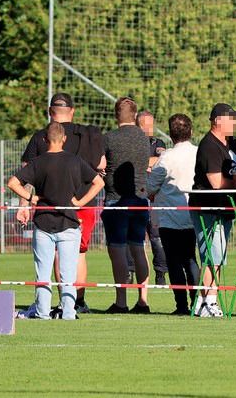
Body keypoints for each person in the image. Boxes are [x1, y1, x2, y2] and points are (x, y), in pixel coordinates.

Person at [8, 122, 104, 320]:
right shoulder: (75, 161)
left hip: (43, 224)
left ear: (45, 140)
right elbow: (99, 181)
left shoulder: (38, 162)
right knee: (68, 274)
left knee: (42, 273)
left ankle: (43, 313)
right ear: (64, 139)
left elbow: (13, 182)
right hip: (69, 223)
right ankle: (68, 312)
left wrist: (31, 198)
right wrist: (81, 202)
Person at [190, 102, 236, 318]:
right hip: (208, 208)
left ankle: (205, 301)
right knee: (211, 255)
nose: (235, 122)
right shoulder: (209, 145)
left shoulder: (232, 143)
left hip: (227, 207)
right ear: (218, 121)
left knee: (219, 255)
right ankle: (208, 302)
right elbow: (216, 182)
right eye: (231, 118)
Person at [102, 97, 152, 313]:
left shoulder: (109, 138)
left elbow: (100, 165)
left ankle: (121, 301)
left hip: (116, 200)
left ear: (116, 115)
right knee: (138, 248)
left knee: (118, 250)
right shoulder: (144, 138)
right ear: (135, 114)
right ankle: (143, 300)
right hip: (141, 199)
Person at [146, 114, 199, 315]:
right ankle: (196, 303)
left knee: (174, 261)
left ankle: (182, 306)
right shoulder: (198, 153)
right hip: (192, 216)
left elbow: (151, 187)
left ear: (170, 134)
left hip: (169, 218)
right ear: (191, 132)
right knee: (190, 259)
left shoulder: (166, 157)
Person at [137, 109, 169, 287]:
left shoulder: (159, 143)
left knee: (157, 237)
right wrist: (148, 162)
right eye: (144, 125)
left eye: (150, 125)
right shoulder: (132, 144)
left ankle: (161, 274)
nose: (149, 129)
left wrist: (145, 163)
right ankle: (130, 273)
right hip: (137, 196)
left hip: (155, 198)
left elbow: (161, 162)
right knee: (134, 238)